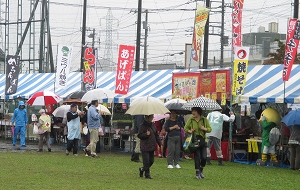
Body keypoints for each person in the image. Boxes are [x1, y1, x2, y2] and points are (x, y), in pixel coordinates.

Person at [184, 107, 211, 180]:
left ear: (198, 112)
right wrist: (190, 131)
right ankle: (197, 173)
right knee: (197, 157)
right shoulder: (191, 119)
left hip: (203, 141)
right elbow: (185, 128)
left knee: (204, 157)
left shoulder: (204, 119)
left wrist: (204, 128)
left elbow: (209, 129)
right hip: (195, 141)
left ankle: (201, 169)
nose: (193, 113)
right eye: (192, 111)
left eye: (194, 111)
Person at [138, 115, 162, 179]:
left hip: (152, 146)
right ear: (147, 117)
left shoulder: (153, 125)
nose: (152, 118)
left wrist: (160, 143)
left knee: (151, 161)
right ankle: (147, 174)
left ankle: (142, 169)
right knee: (146, 162)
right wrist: (146, 134)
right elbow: (139, 135)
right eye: (151, 117)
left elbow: (156, 135)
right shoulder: (142, 125)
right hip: (145, 146)